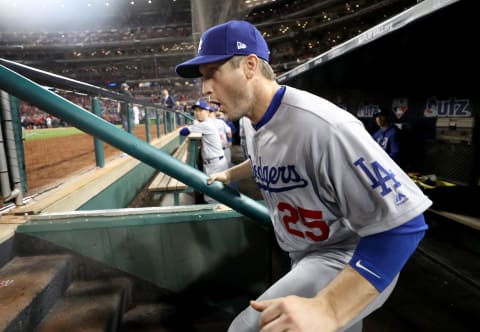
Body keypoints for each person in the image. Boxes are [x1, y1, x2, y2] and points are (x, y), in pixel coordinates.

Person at [175, 20, 432, 332]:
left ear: (249, 65)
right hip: (309, 252)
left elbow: (406, 223)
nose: (205, 89)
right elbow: (263, 162)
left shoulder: (323, 126)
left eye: (212, 73)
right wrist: (229, 174)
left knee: (246, 328)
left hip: (349, 257)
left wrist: (330, 306)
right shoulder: (249, 121)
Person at [179, 99, 228, 204]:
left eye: (201, 110)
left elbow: (183, 132)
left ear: (207, 111)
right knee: (216, 195)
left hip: (215, 164)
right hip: (214, 161)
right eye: (196, 111)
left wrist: (191, 126)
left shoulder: (206, 124)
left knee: (213, 198)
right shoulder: (207, 122)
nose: (197, 113)